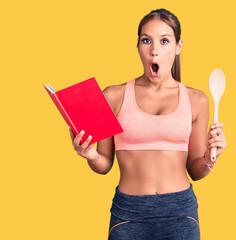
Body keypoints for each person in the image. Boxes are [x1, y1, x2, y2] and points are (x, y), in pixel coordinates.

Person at [69, 8, 227, 240]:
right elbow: (104, 165)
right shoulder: (113, 96)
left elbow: (196, 170)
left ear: (178, 46)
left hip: (180, 214)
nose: (155, 51)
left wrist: (211, 157)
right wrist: (91, 155)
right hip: (129, 214)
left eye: (164, 41)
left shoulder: (198, 100)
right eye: (146, 41)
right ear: (138, 46)